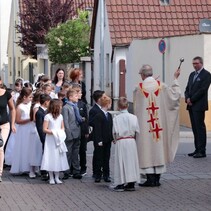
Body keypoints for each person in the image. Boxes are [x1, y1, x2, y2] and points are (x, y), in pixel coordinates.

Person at [134, 64, 181, 187]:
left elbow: (137, 109)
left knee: (146, 149)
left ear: (143, 75)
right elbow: (175, 97)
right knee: (158, 148)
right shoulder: (162, 86)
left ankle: (150, 179)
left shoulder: (139, 88)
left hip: (145, 126)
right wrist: (175, 79)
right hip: (158, 127)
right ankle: (157, 179)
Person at [185, 56, 211, 158]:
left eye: (196, 63)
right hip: (190, 105)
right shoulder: (192, 75)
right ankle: (197, 149)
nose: (194, 65)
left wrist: (192, 99)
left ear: (201, 63)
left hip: (199, 105)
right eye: (193, 64)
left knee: (200, 128)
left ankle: (202, 151)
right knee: (194, 128)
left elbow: (202, 90)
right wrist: (187, 98)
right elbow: (187, 88)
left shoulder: (206, 75)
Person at [112, 97, 140, 192]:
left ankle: (120, 182)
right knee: (131, 161)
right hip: (131, 141)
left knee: (121, 161)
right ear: (127, 105)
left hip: (121, 141)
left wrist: (115, 139)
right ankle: (131, 183)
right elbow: (137, 131)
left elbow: (115, 132)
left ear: (118, 106)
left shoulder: (116, 118)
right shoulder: (134, 117)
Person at [41, 99, 69, 185]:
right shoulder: (48, 116)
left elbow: (62, 127)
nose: (61, 107)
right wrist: (53, 132)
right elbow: (44, 129)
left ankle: (57, 176)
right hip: (50, 140)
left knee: (58, 157)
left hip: (58, 139)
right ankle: (51, 177)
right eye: (60, 106)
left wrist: (60, 133)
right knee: (51, 156)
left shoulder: (60, 116)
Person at [10, 87, 33, 175]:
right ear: (24, 97)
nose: (31, 99)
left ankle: (30, 167)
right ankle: (23, 167)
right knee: (23, 147)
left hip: (30, 129)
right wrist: (29, 120)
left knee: (30, 147)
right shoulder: (20, 107)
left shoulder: (31, 105)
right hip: (23, 130)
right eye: (30, 97)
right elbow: (18, 121)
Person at [62, 89, 82, 180]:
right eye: (75, 96)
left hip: (77, 132)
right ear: (70, 97)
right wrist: (68, 134)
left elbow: (77, 118)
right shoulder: (66, 108)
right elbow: (66, 122)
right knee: (68, 153)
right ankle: (66, 170)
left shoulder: (76, 107)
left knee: (75, 152)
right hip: (70, 133)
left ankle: (76, 170)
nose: (77, 97)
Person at [92, 95, 113, 183]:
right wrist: (99, 140)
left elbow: (110, 127)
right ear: (107, 104)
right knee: (99, 157)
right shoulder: (98, 115)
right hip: (100, 140)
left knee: (106, 158)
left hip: (107, 140)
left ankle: (106, 174)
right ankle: (98, 175)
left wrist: (112, 138)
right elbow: (97, 129)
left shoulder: (109, 115)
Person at [0, 79, 16, 182]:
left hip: (4, 125)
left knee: (0, 147)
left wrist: (13, 123)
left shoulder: (6, 94)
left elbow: (12, 109)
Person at [73, 85, 89, 176]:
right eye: (79, 93)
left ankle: (83, 167)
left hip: (82, 131)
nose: (81, 94)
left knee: (82, 150)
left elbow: (86, 118)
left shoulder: (82, 104)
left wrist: (86, 131)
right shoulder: (70, 104)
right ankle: (74, 167)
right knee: (74, 150)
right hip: (74, 130)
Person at [89, 90, 105, 178]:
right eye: (104, 97)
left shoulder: (103, 108)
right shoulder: (94, 110)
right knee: (98, 154)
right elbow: (91, 122)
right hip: (97, 135)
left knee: (103, 154)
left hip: (103, 134)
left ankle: (102, 170)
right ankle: (96, 171)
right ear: (99, 99)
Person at [35, 94, 51, 181]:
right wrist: (43, 138)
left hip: (48, 136)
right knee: (44, 154)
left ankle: (47, 171)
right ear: (46, 102)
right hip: (44, 136)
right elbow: (40, 127)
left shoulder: (47, 111)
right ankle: (44, 172)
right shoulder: (39, 112)